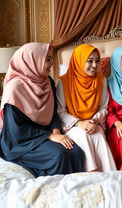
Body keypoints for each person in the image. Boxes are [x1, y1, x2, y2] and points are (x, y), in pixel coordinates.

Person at [0, 43, 84, 177]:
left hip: (44, 134)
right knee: (59, 155)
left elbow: (53, 111)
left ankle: (76, 188)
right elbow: (16, 129)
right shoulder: (15, 88)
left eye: (52, 59)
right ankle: (54, 189)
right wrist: (50, 136)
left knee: (76, 152)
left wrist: (56, 130)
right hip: (20, 141)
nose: (52, 64)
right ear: (33, 61)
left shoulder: (48, 81)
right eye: (48, 59)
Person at [56, 44, 116, 172]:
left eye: (97, 61)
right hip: (73, 126)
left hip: (94, 123)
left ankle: (109, 174)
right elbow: (60, 111)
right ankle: (92, 173)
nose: (94, 65)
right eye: (89, 61)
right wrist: (79, 123)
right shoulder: (63, 82)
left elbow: (104, 107)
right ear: (78, 61)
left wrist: (93, 121)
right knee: (82, 134)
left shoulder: (101, 80)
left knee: (98, 135)